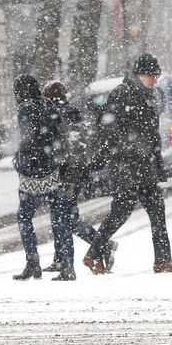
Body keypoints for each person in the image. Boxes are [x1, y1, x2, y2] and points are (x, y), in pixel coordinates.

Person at [82, 54, 172, 275]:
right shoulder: (122, 95)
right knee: (121, 213)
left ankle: (162, 259)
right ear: (139, 74)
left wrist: (150, 156)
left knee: (152, 211)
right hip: (128, 167)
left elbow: (148, 134)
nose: (154, 79)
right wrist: (130, 149)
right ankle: (94, 254)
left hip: (143, 166)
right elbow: (109, 131)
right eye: (151, 75)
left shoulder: (146, 95)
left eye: (156, 75)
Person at [42, 80, 115, 275]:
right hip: (73, 172)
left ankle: (102, 244)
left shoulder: (59, 116)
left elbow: (65, 148)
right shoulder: (71, 114)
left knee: (67, 219)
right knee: (60, 217)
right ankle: (59, 259)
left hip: (67, 174)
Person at [11, 74, 74, 281]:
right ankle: (67, 265)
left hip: (32, 173)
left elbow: (28, 137)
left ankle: (33, 262)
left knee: (24, 217)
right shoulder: (48, 105)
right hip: (53, 169)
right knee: (60, 218)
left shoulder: (24, 108)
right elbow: (60, 132)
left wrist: (21, 160)